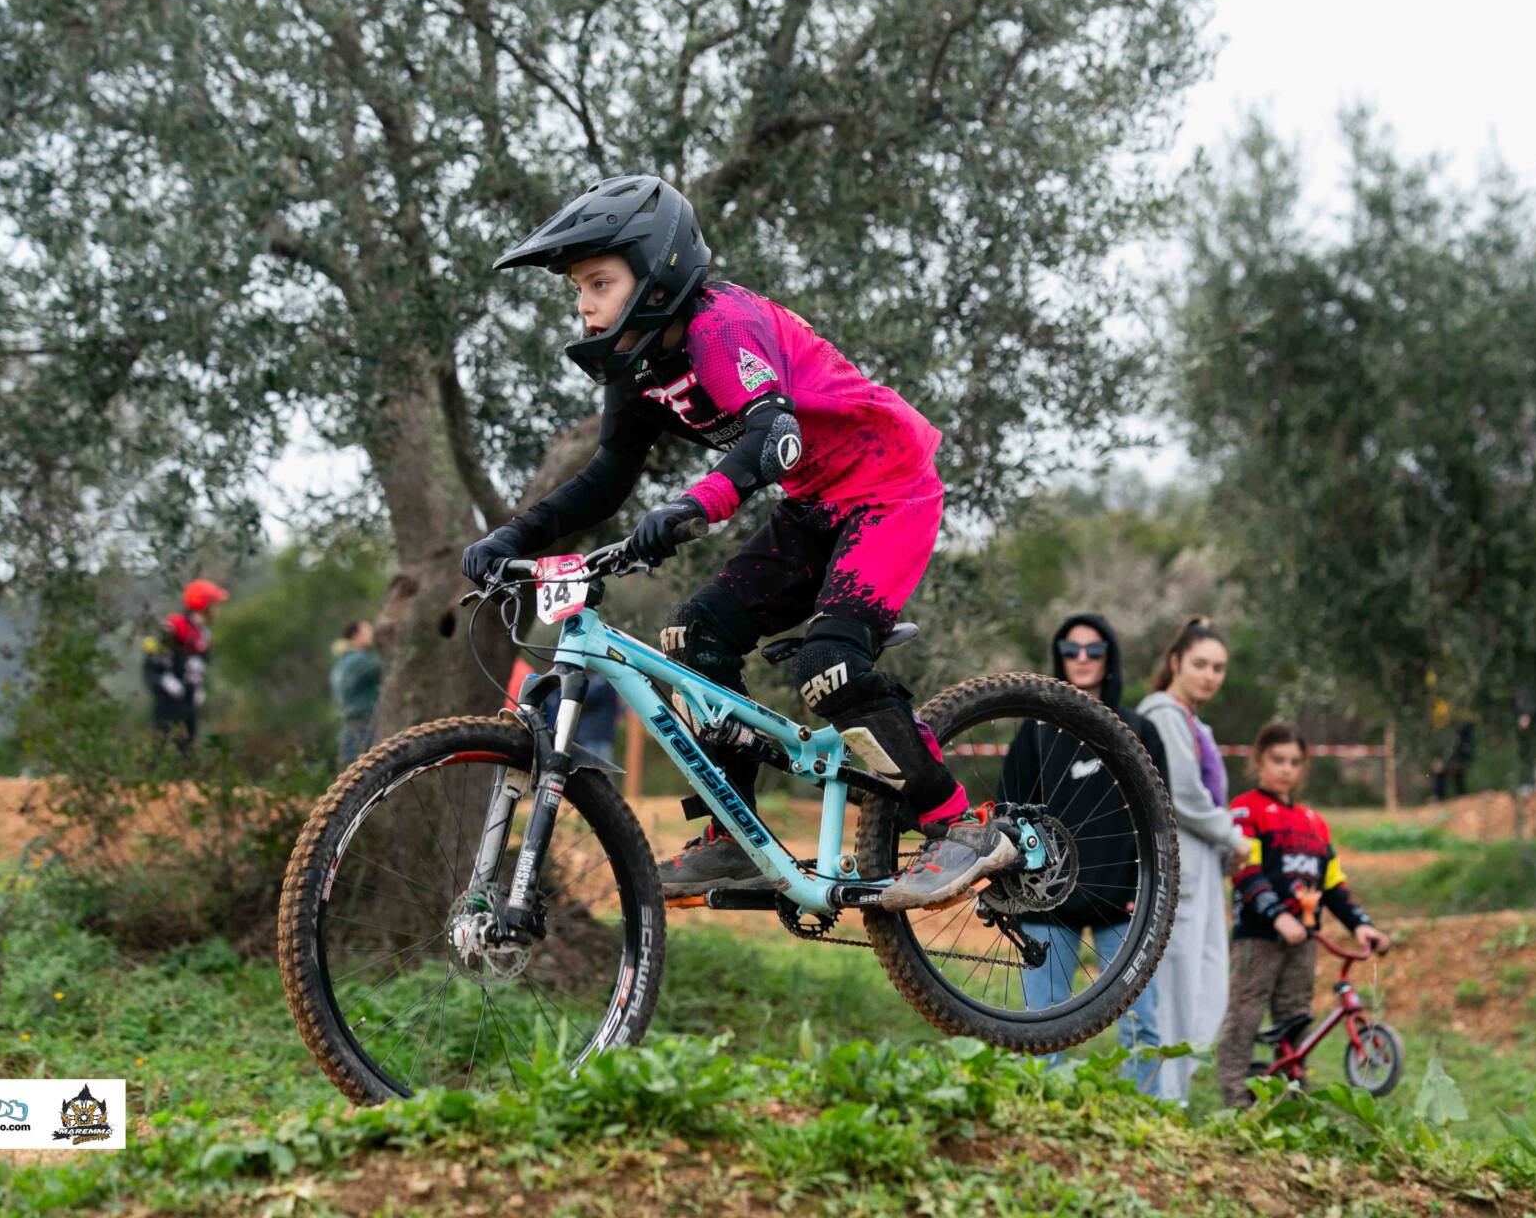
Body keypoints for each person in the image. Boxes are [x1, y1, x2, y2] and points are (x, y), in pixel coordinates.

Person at [460, 175, 1009, 910]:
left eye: (598, 283)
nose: (584, 305)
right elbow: (607, 476)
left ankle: (961, 827)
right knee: (692, 637)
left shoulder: (719, 326)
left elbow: (774, 433)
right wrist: (513, 535)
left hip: (889, 488)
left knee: (830, 667)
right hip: (816, 503)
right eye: (577, 289)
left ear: (656, 275)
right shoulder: (640, 363)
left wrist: (695, 504)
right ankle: (734, 839)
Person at [1006, 614, 1170, 1091]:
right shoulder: (1035, 730)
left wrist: (1148, 890)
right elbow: (1009, 814)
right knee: (1041, 1031)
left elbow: (1161, 823)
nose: (1081, 658)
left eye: (1093, 650)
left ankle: (1145, 1116)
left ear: (1109, 658)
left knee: (1141, 1029)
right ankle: (1042, 1116)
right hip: (1045, 904)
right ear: (1059, 656)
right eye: (1071, 649)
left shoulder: (1139, 730)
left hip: (1123, 905)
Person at [1215, 722, 1391, 1107]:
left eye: (1295, 762)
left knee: (1295, 1016)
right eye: (1277, 760)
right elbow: (1245, 870)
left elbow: (1334, 885)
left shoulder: (1314, 823)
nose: (1286, 769)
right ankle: (1235, 1100)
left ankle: (1292, 1097)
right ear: (1258, 761)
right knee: (1246, 1014)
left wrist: (1362, 926)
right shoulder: (1247, 809)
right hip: (1259, 936)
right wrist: (1277, 915)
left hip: (1305, 940)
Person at [1134, 615, 1246, 1105]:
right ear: (1175, 661)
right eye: (1200, 664)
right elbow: (1184, 795)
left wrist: (1224, 849)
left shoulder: (1194, 722)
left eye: (1218, 667)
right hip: (1176, 868)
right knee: (1176, 988)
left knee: (1204, 983)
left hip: (1202, 868)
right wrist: (1233, 837)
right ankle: (1161, 1097)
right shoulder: (1162, 714)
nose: (1210, 676)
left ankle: (1174, 1094)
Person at [143, 579, 228, 752]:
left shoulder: (203, 633)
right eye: (213, 604)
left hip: (188, 701)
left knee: (187, 746)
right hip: (168, 701)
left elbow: (201, 663)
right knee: (163, 744)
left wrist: (198, 689)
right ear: (203, 605)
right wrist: (170, 684)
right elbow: (154, 663)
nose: (216, 610)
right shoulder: (174, 626)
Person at [330, 620, 383, 769]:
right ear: (356, 636)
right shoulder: (360, 660)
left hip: (350, 730)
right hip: (364, 731)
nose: (373, 634)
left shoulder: (343, 661)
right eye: (368, 631)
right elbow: (389, 664)